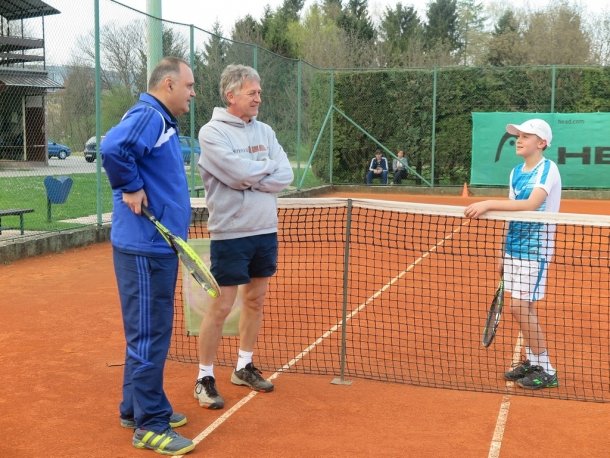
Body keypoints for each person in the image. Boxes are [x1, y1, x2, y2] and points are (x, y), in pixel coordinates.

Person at [101, 57, 196, 455]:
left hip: (155, 246)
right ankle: (150, 425)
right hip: (145, 247)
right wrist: (131, 186)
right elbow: (112, 148)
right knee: (150, 335)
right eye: (189, 85)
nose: (193, 93)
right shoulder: (150, 115)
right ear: (169, 84)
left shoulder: (158, 119)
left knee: (146, 332)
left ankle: (134, 407)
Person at [194, 64, 293, 409]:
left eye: (259, 92)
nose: (258, 98)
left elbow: (285, 174)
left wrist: (255, 175)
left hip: (265, 229)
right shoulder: (211, 133)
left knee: (255, 301)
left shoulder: (265, 131)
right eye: (252, 92)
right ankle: (205, 377)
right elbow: (237, 175)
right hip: (230, 233)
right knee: (221, 305)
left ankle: (243, 366)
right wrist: (261, 174)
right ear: (231, 95)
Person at [464, 118, 561, 390]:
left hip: (536, 250)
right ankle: (533, 361)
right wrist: (501, 251)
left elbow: (532, 204)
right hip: (514, 249)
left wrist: (487, 203)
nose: (519, 139)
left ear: (541, 143)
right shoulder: (516, 171)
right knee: (523, 308)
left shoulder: (547, 169)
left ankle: (547, 370)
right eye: (518, 135)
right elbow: (511, 211)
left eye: (526, 136)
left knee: (519, 307)